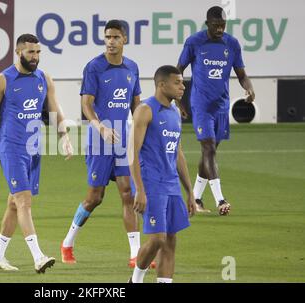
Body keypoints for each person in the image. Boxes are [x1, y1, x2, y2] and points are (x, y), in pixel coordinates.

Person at [60, 20, 155, 269]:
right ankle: (68, 242)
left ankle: (135, 254)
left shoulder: (132, 67)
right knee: (95, 197)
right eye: (107, 37)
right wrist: (100, 126)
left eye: (115, 37)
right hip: (98, 141)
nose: (111, 41)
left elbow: (137, 105)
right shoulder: (94, 67)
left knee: (128, 193)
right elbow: (86, 104)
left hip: (123, 140)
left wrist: (143, 128)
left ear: (125, 39)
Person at [0, 34, 73, 274]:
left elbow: (54, 111)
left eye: (38, 52)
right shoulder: (3, 80)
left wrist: (64, 137)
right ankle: (38, 256)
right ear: (18, 52)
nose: (35, 57)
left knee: (14, 204)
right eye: (31, 52)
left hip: (34, 148)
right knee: (24, 200)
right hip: (11, 148)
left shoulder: (44, 79)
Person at [177, 6, 255, 215]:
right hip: (201, 104)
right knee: (209, 148)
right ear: (207, 24)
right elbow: (178, 71)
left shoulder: (232, 44)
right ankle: (221, 199)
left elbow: (241, 74)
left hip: (221, 106)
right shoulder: (194, 42)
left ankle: (196, 199)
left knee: (209, 153)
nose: (220, 30)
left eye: (223, 26)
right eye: (216, 26)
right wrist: (178, 100)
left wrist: (249, 88)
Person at [128, 65, 195, 283]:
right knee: (157, 239)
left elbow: (177, 153)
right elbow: (132, 152)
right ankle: (135, 280)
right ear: (161, 84)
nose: (182, 87)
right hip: (151, 183)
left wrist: (190, 192)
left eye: (182, 82)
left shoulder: (175, 112)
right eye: (177, 82)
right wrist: (139, 189)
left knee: (171, 240)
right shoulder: (145, 110)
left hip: (171, 183)